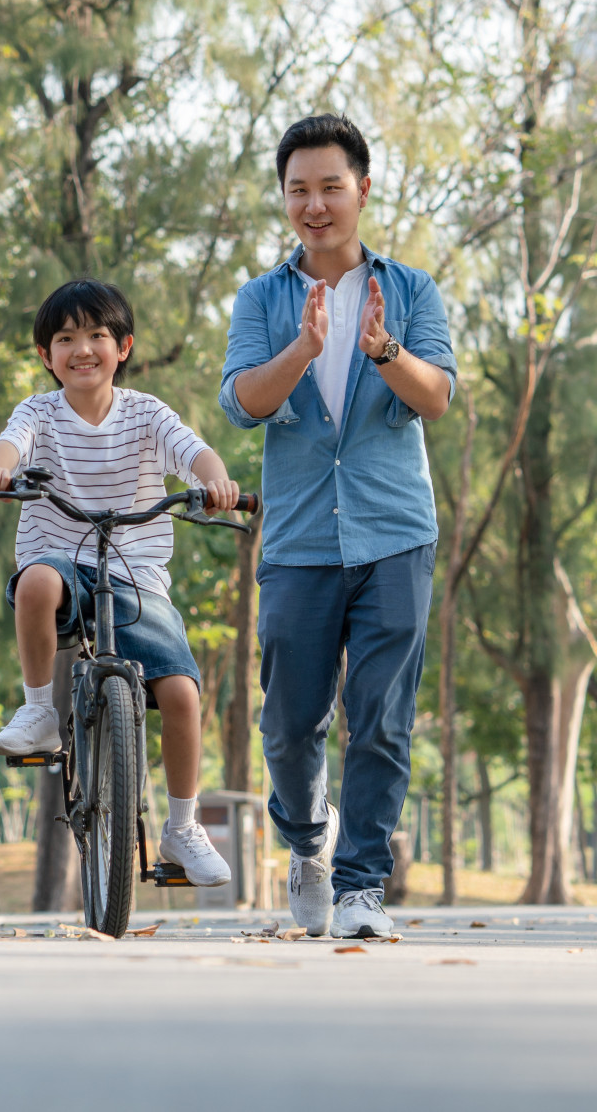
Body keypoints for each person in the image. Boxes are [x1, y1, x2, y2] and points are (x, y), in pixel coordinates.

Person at [220, 115, 455, 939]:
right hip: (299, 540)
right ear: (284, 197)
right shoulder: (262, 297)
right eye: (298, 190)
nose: (314, 205)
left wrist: (383, 349)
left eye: (330, 187)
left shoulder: (412, 290)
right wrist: (305, 348)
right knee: (287, 719)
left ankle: (361, 889)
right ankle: (308, 840)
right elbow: (244, 403)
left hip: (395, 532)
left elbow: (436, 397)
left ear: (362, 188)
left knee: (383, 716)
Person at [0, 279, 244, 887]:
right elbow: (9, 445)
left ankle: (182, 827)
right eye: (65, 339)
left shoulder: (147, 413)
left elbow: (195, 452)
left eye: (97, 335)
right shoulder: (38, 413)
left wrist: (217, 482)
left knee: (181, 693)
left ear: (122, 346)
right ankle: (39, 709)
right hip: (60, 561)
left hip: (138, 577)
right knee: (37, 582)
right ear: (47, 356)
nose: (82, 350)